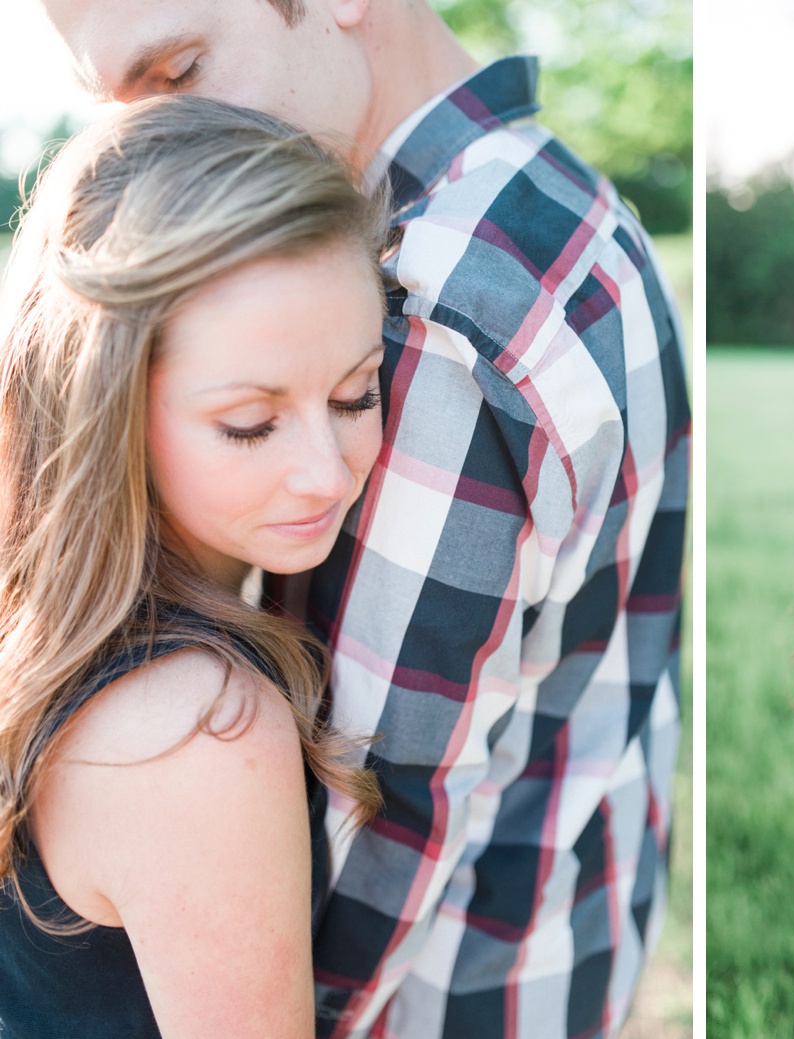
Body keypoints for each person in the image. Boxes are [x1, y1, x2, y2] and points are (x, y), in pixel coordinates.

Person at [35, 2, 690, 1036]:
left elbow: (386, 814)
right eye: (124, 103)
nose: (160, 138)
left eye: (180, 68)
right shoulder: (568, 207)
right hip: (574, 924)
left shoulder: (440, 311)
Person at [0, 94, 386, 1037]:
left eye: (356, 393)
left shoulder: (38, 615)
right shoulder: (199, 730)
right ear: (106, 407)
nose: (325, 472)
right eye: (249, 424)